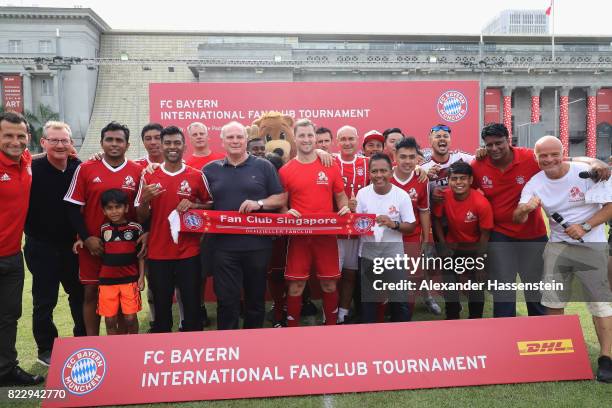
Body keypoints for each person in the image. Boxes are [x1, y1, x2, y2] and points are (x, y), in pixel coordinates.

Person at [471, 123, 609, 318]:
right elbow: (465, 186)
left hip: (532, 233)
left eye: (499, 143)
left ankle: (539, 330)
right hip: (500, 232)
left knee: (534, 283)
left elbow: (564, 159)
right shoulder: (478, 164)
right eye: (489, 145)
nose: (494, 149)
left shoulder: (530, 157)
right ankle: (504, 330)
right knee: (503, 283)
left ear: (508, 141)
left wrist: (595, 161)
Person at [513, 135, 612, 383]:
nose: (548, 160)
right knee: (554, 301)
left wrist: (586, 226)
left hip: (591, 245)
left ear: (563, 152)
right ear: (536, 158)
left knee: (599, 303)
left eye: (553, 154)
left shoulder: (586, 173)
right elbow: (517, 217)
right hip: (558, 247)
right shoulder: (535, 183)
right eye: (542, 156)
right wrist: (525, 209)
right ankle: (558, 356)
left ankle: (606, 359)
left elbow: (610, 206)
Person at [203, 121, 286, 330]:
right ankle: (227, 348)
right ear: (222, 141)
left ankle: (253, 348)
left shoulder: (264, 166)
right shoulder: (209, 170)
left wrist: (259, 203)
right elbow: (203, 203)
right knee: (227, 301)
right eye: (230, 137)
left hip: (257, 246)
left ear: (246, 140)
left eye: (239, 137)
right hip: (223, 248)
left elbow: (280, 198)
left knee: (255, 301)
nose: (235, 141)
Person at [64, 121, 142, 336]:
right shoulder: (86, 168)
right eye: (109, 139)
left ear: (127, 145)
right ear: (101, 143)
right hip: (93, 246)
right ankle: (93, 341)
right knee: (90, 292)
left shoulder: (137, 171)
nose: (114, 144)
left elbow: (142, 209)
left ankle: (120, 347)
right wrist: (88, 237)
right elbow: (72, 208)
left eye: (119, 140)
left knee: (119, 297)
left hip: (124, 248)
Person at [135, 125, 210, 333]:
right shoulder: (149, 176)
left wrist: (194, 205)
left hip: (189, 252)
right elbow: (141, 216)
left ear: (184, 146)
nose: (172, 147)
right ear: (161, 145)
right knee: (161, 308)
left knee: (192, 306)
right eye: (167, 143)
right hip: (158, 252)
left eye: (177, 142)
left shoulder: (196, 175)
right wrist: (144, 200)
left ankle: (193, 350)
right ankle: (164, 350)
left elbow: (210, 206)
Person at [24, 121, 85, 366]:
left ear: (71, 144)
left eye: (64, 141)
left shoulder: (78, 167)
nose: (60, 145)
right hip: (41, 246)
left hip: (73, 246)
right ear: (43, 142)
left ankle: (83, 340)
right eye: (54, 140)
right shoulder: (31, 168)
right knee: (44, 300)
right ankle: (46, 348)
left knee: (79, 295)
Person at [280, 118, 350, 327]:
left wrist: (344, 207)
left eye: (310, 135)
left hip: (325, 236)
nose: (306, 139)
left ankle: (331, 327)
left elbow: (341, 197)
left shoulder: (330, 165)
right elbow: (281, 205)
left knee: (329, 284)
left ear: (315, 138)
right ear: (294, 137)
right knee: (296, 286)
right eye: (301, 135)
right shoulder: (286, 170)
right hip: (299, 237)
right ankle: (292, 329)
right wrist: (285, 211)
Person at [0, 111, 44, 386]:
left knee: (8, 316)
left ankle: (5, 370)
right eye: (8, 136)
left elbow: (33, 157)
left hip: (13, 255)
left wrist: (63, 153)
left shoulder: (25, 160)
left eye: (20, 136)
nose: (15, 142)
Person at [74, 189, 145, 335]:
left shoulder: (135, 228)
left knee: (130, 318)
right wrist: (82, 241)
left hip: (129, 280)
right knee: (110, 320)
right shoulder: (104, 229)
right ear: (104, 211)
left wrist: (141, 277)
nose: (114, 211)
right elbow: (96, 243)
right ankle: (113, 352)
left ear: (126, 208)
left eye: (118, 207)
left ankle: (134, 347)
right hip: (107, 282)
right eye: (109, 208)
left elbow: (141, 255)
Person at [356, 153, 416, 323]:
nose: (379, 175)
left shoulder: (401, 195)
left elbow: (411, 226)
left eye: (383, 170)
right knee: (369, 302)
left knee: (399, 301)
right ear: (369, 173)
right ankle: (369, 339)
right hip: (368, 255)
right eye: (374, 171)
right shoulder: (362, 194)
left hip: (393, 257)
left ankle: (402, 337)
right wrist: (360, 221)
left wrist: (393, 224)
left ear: (391, 172)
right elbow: (356, 224)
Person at [432, 161, 493, 320]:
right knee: (450, 287)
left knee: (476, 289)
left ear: (471, 180)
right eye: (454, 179)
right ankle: (452, 317)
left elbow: (485, 235)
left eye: (463, 178)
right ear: (449, 180)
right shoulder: (443, 196)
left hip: (475, 250)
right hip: (452, 249)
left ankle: (475, 320)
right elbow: (437, 220)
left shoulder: (481, 203)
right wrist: (443, 244)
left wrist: (480, 264)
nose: (458, 182)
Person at [391, 137, 440, 316]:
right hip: (389, 235)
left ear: (417, 158)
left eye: (412, 157)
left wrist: (426, 240)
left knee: (412, 277)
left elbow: (424, 210)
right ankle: (390, 312)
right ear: (394, 156)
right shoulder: (384, 175)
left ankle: (407, 315)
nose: (408, 161)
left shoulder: (421, 179)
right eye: (403, 157)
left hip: (412, 235)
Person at [334, 125, 369, 324]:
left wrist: (419, 167)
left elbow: (393, 171)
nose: (347, 143)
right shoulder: (329, 161)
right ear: (337, 142)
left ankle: (343, 315)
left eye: (351, 139)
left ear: (357, 140)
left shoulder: (368, 162)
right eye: (343, 139)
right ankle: (329, 315)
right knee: (331, 278)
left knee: (350, 275)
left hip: (359, 231)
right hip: (335, 231)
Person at [420, 124, 474, 203]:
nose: (442, 139)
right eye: (438, 136)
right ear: (430, 141)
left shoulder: (461, 157)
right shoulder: (424, 167)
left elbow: (481, 161)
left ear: (450, 141)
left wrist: (482, 152)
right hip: (437, 212)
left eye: (446, 136)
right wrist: (427, 180)